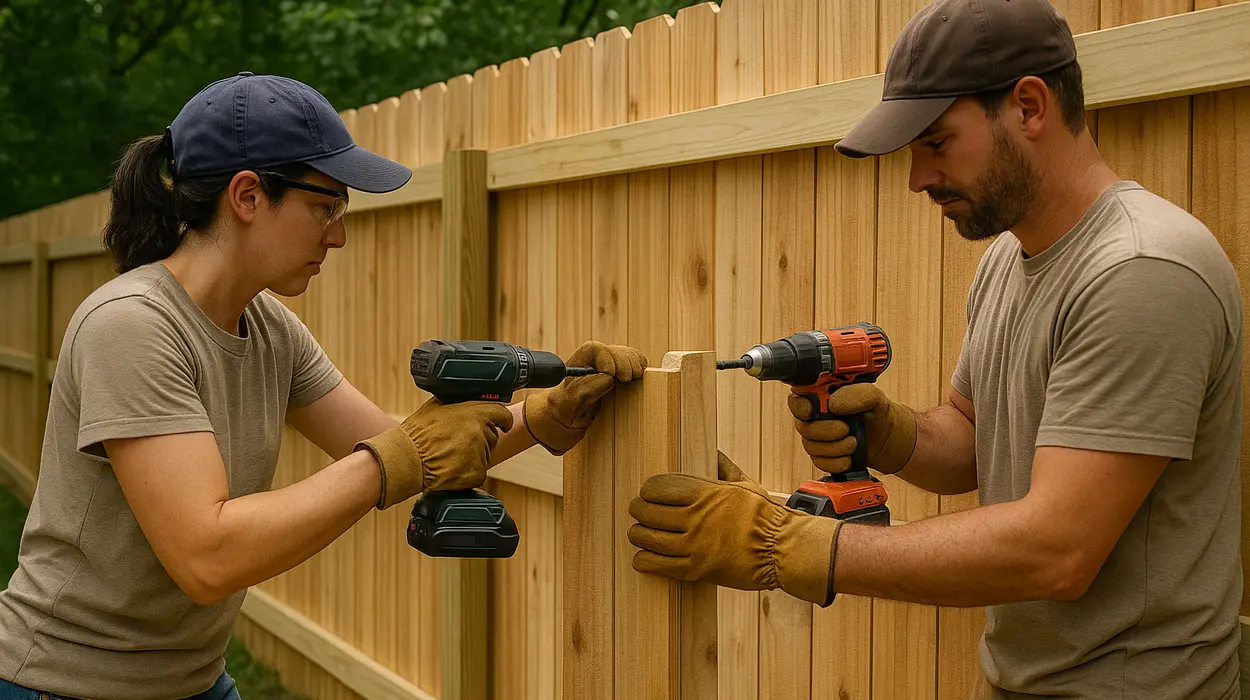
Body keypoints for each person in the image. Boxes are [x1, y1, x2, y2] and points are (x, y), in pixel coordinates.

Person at [627, 0, 1244, 698]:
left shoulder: (1141, 271)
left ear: (1030, 107)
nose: (917, 178)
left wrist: (788, 545)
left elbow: (1059, 551)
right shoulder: (1011, 263)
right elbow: (974, 438)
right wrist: (892, 433)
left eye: (936, 142)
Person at [0, 72, 645, 700]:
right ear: (248, 197)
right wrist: (401, 457)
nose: (338, 233)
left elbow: (396, 446)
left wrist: (544, 418)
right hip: (64, 684)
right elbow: (207, 557)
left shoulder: (268, 326)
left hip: (189, 680)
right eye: (324, 206)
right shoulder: (132, 326)